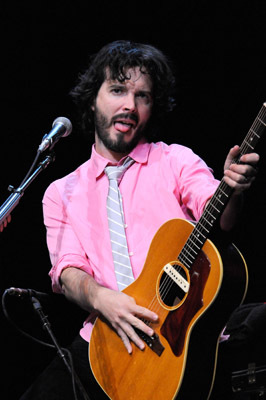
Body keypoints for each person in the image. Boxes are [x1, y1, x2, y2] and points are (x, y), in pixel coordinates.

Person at [20, 40, 259, 399]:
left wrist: (233, 189)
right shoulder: (60, 192)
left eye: (143, 96)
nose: (130, 106)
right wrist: (103, 300)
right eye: (117, 90)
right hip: (104, 339)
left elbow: (219, 215)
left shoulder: (175, 160)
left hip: (179, 334)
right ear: (92, 98)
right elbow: (67, 273)